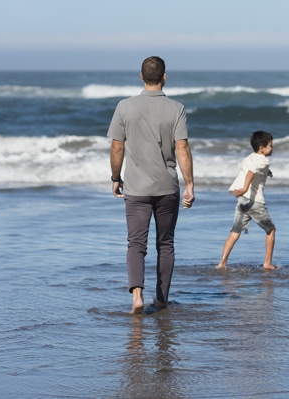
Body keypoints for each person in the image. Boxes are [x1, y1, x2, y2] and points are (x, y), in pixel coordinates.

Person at [108, 56, 194, 314]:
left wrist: (115, 178)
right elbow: (182, 148)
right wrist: (189, 184)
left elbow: (117, 147)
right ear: (164, 77)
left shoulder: (124, 107)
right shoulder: (176, 108)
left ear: (141, 76)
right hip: (167, 187)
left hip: (136, 188)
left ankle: (137, 296)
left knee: (136, 244)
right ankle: (162, 299)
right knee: (165, 244)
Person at [217, 131, 278, 270]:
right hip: (254, 201)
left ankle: (222, 263)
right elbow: (251, 172)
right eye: (270, 145)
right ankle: (268, 264)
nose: (272, 148)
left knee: (235, 232)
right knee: (271, 230)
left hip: (242, 202)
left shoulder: (249, 158)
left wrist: (266, 171)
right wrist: (245, 188)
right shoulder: (263, 160)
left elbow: (251, 169)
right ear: (262, 148)